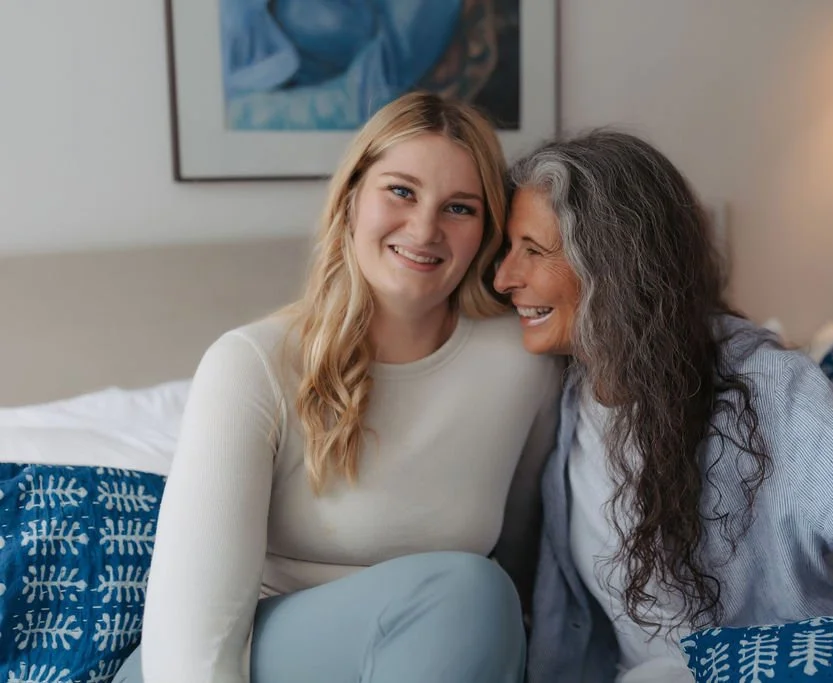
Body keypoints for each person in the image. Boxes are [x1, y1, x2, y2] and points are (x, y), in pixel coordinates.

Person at [493, 130, 833, 683]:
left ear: (616, 267)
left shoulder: (762, 390)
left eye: (533, 251)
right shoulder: (567, 389)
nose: (505, 279)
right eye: (507, 251)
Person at [113, 92, 562, 683]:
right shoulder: (251, 364)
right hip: (223, 664)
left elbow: (527, 563)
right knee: (466, 592)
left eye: (460, 208)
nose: (425, 228)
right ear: (351, 199)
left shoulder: (520, 365)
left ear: (486, 231)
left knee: (479, 596)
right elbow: (191, 635)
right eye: (400, 191)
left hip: (444, 653)